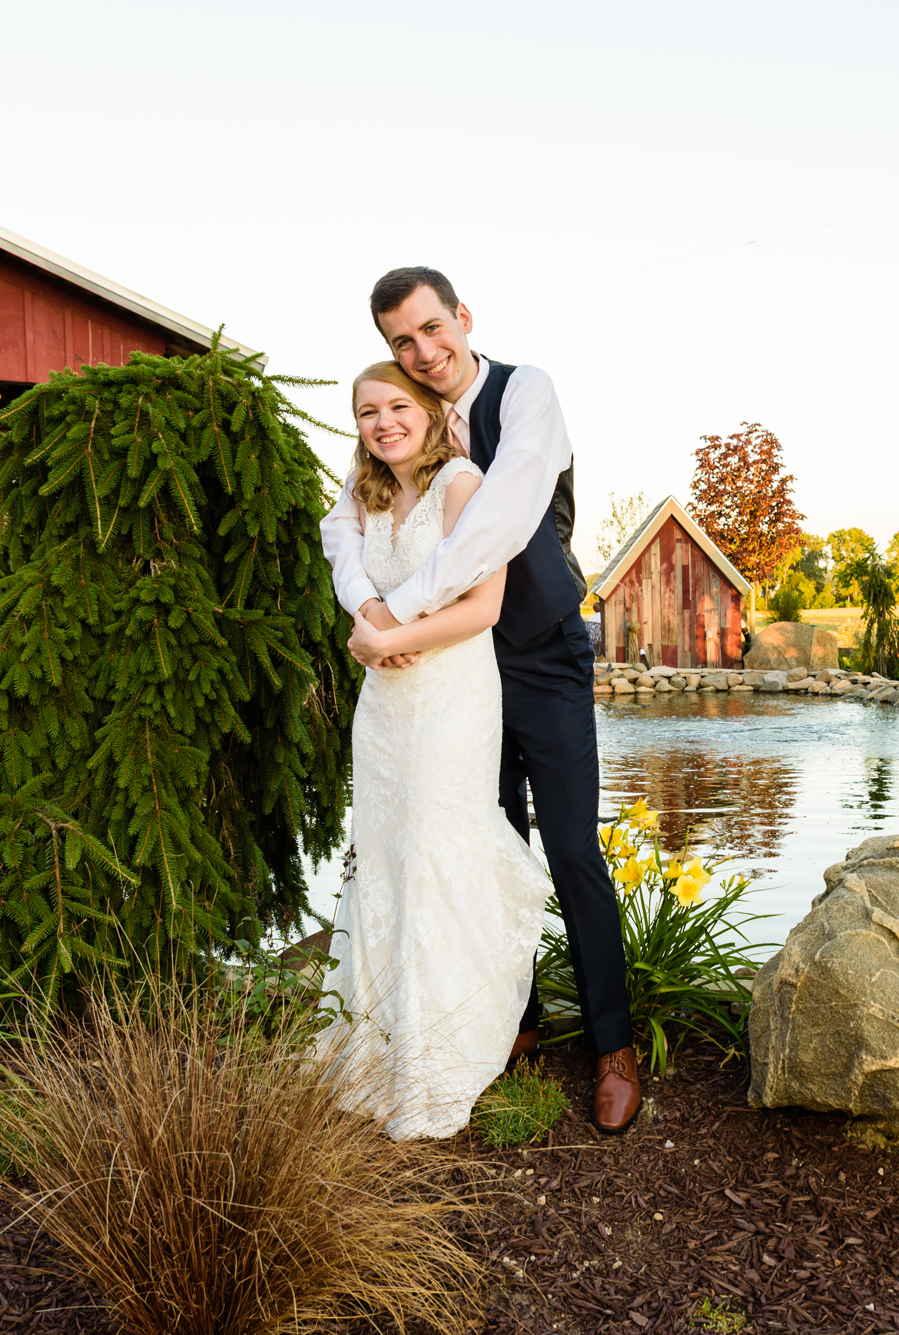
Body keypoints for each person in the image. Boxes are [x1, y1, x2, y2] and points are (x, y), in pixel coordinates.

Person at [320, 267, 641, 1135]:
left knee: (572, 849)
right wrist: (372, 610)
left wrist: (397, 620)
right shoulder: (402, 429)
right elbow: (348, 522)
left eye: (432, 329)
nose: (424, 353)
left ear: (463, 316)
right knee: (481, 843)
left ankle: (613, 1045)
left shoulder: (524, 394)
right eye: (402, 343)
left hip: (535, 656)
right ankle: (514, 1026)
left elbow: (498, 522)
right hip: (453, 680)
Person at [316, 362, 548, 1139]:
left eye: (396, 406)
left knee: (434, 848)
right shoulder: (362, 499)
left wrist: (390, 638)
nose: (382, 422)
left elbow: (483, 606)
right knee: (382, 856)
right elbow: (352, 581)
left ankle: (442, 1054)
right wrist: (373, 638)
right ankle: (376, 1043)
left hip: (451, 695)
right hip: (383, 705)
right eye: (366, 412)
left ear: (430, 412)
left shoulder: (464, 486)